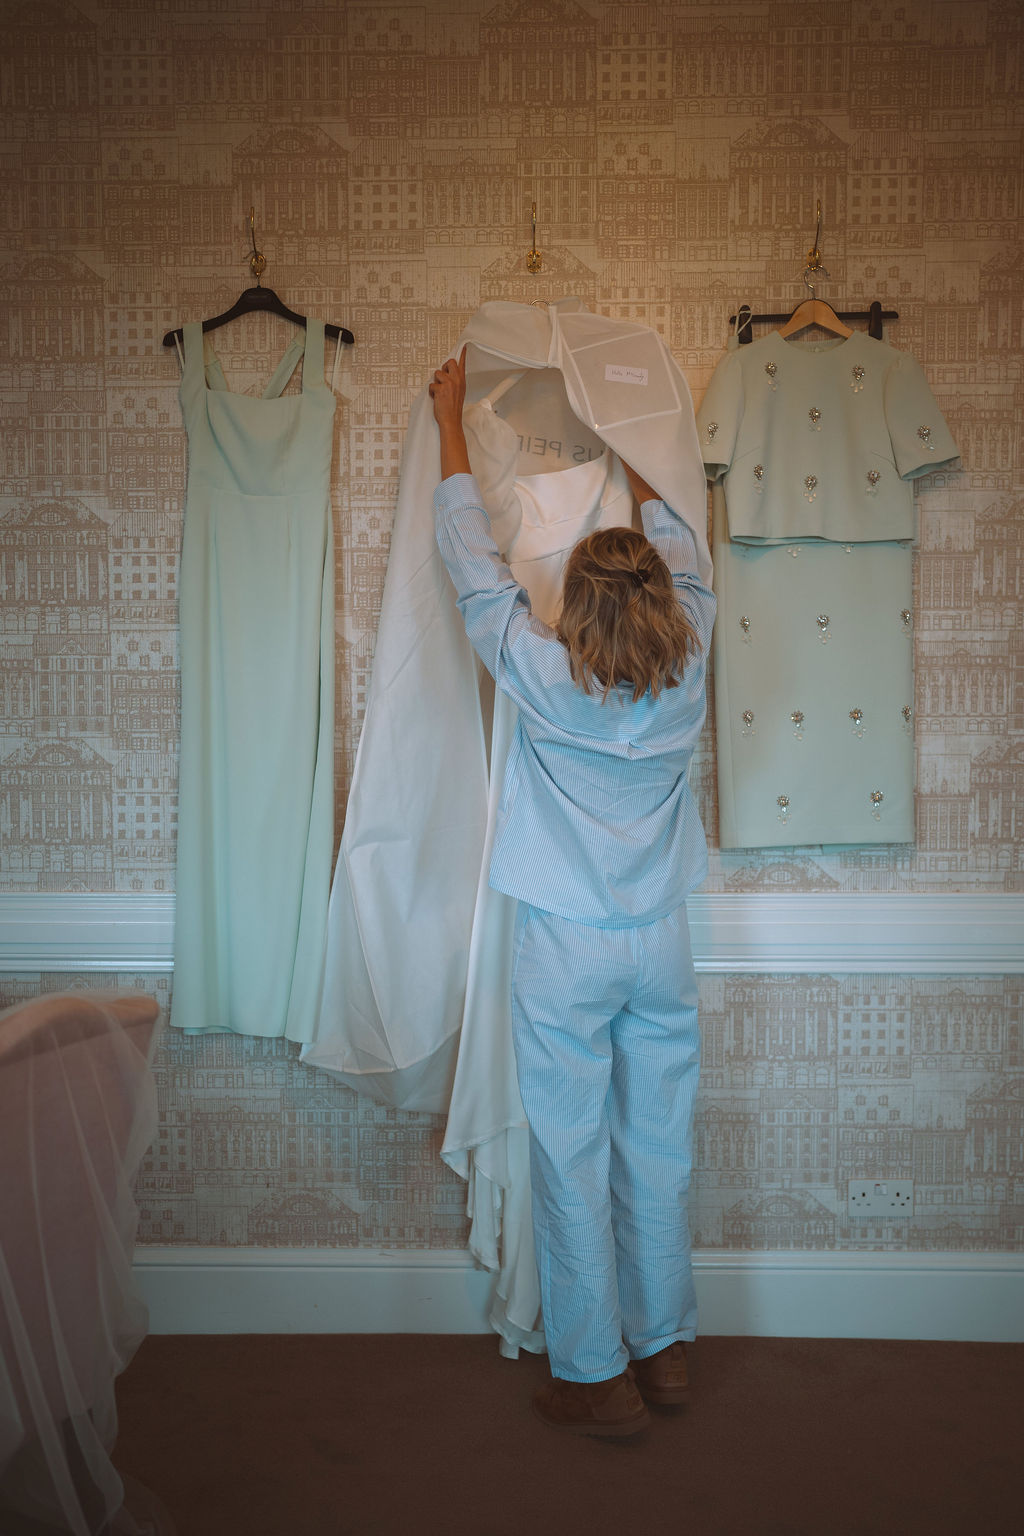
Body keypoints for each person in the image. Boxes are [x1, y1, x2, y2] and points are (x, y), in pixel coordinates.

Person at [429, 349, 716, 1437]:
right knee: (659, 1146)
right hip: (659, 940)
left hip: (565, 945)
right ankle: (666, 1350)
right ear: (658, 599)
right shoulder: (691, 664)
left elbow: (471, 559)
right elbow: (680, 544)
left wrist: (451, 424)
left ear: (574, 605)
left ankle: (594, 1374)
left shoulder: (540, 671)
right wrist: (637, 445)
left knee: (571, 1151)